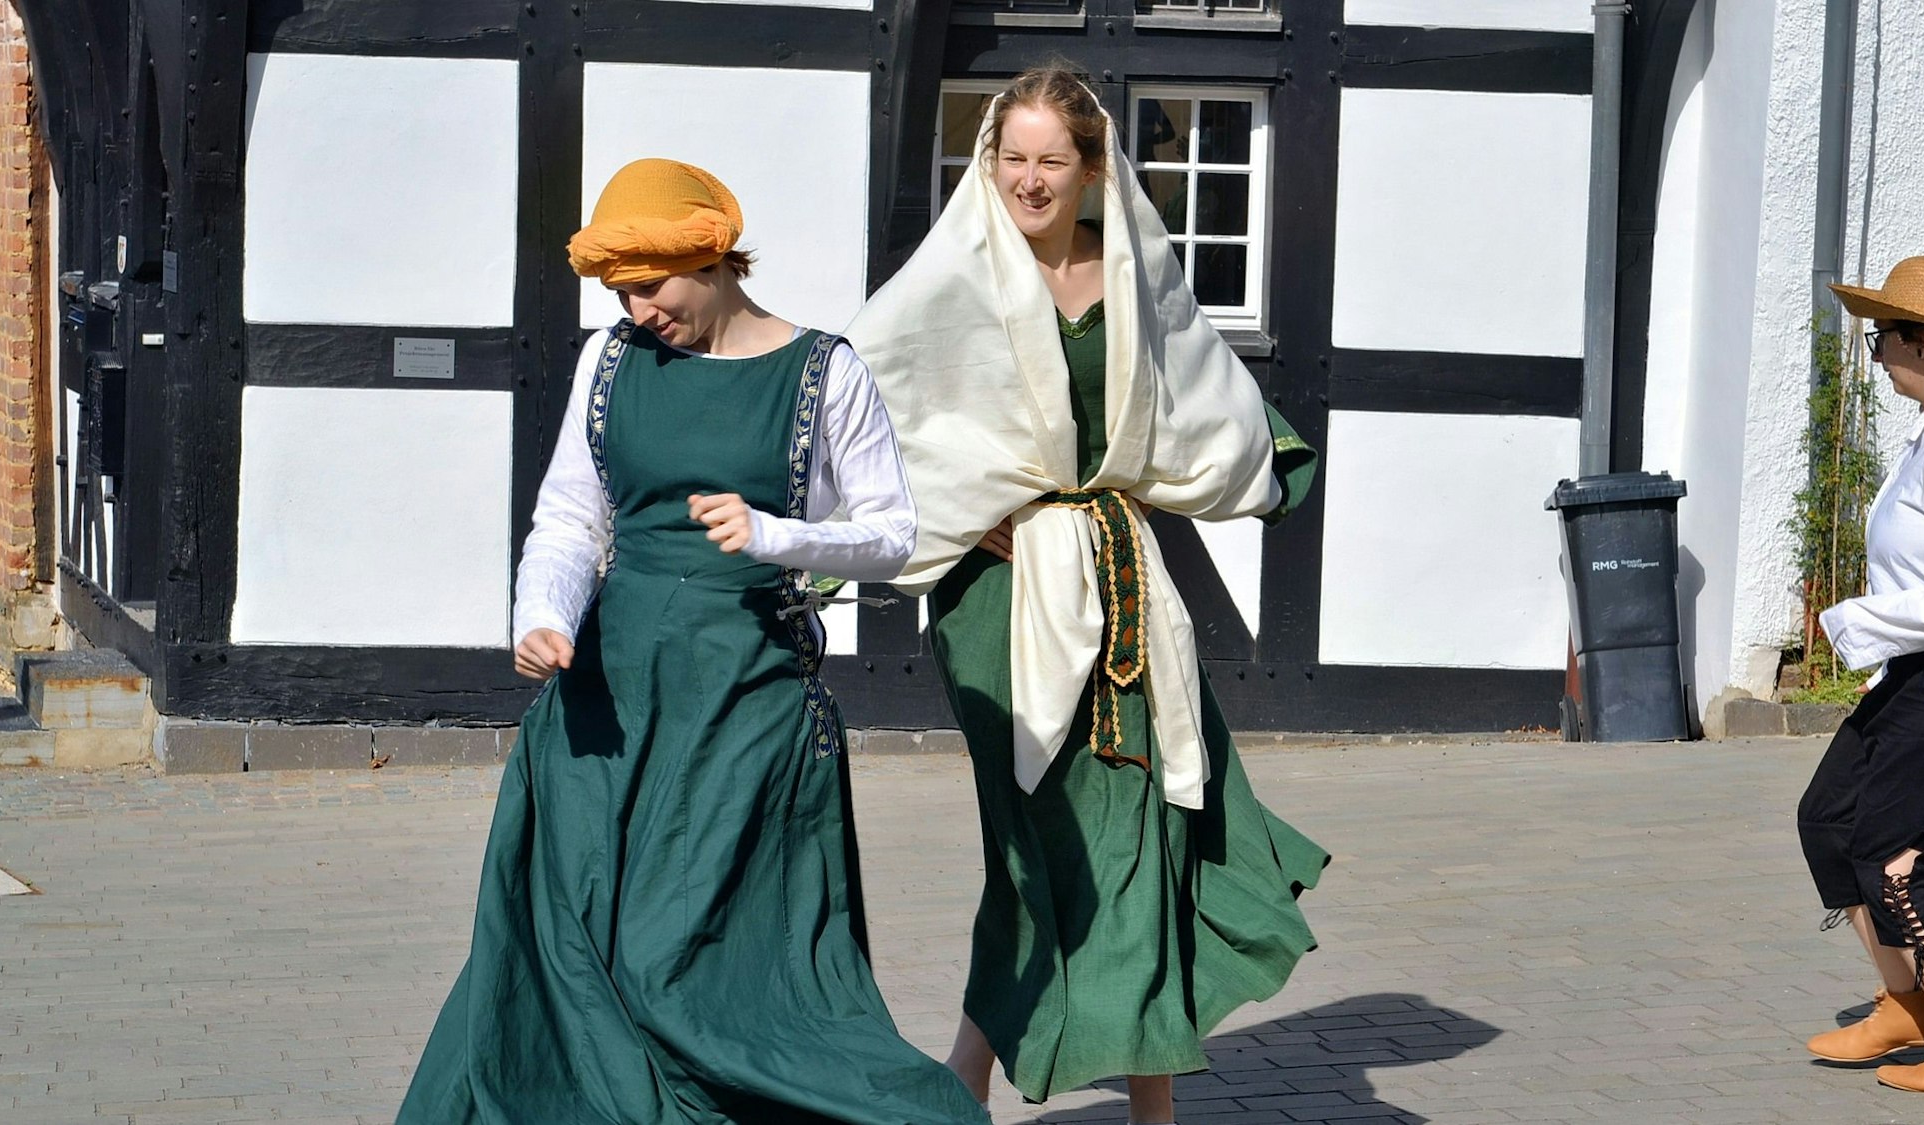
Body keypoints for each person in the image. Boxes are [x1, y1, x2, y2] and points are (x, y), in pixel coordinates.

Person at [399, 158, 988, 1124]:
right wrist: (542, 613)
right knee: (569, 940)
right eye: (619, 292)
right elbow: (570, 518)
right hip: (606, 704)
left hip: (745, 705)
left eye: (651, 287)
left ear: (714, 256)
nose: (637, 311)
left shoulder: (823, 370)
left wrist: (776, 534)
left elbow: (892, 534)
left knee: (688, 963)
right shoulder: (610, 360)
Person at [847, 68, 1328, 1124]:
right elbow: (868, 414)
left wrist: (1254, 463)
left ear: (1091, 168)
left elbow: (1205, 391)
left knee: (1149, 827)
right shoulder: (948, 283)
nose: (1026, 179)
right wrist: (971, 511)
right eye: (1009, 157)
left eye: (1048, 160)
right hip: (995, 605)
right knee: (1038, 849)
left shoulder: (1132, 276)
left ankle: (1123, 1101)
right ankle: (966, 1076)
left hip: (1122, 584)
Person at [1798, 254, 1924, 1095]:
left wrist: (1855, 623)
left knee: (1900, 861)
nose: (1879, 353)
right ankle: (1910, 1003)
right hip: (1916, 672)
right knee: (1829, 820)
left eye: (1882, 338)